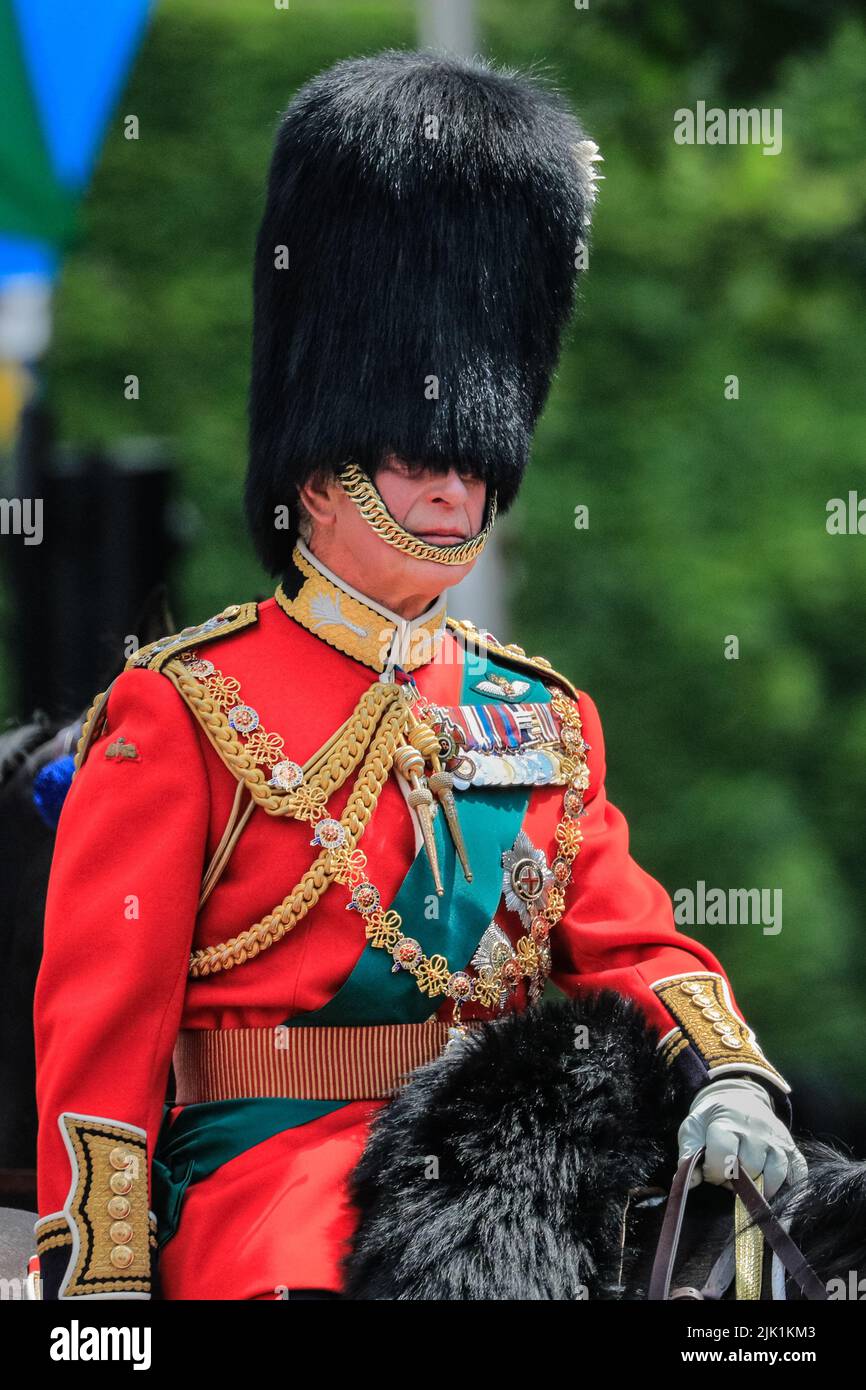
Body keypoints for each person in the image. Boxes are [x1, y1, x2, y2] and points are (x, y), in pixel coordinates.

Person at [32, 49, 803, 1302]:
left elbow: (629, 938)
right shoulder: (178, 706)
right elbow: (102, 1027)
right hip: (271, 1171)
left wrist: (723, 1070)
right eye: (414, 458)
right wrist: (104, 1284)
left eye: (475, 458)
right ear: (318, 469)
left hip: (518, 1166)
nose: (455, 488)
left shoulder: (537, 713)